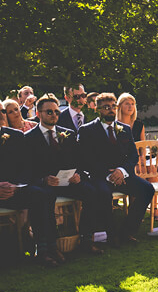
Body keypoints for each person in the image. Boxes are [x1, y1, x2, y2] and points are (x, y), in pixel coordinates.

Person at [25, 94, 103, 256]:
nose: (54, 115)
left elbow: (81, 161)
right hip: (45, 185)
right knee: (43, 198)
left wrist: (79, 175)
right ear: (38, 114)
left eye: (56, 112)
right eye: (49, 112)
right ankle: (48, 247)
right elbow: (25, 170)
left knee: (91, 192)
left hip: (68, 183)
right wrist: (43, 179)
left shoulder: (67, 134)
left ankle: (86, 240)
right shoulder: (28, 138)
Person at [77, 92, 154, 244]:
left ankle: (127, 232)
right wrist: (108, 175)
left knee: (147, 189)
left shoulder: (124, 129)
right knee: (104, 194)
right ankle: (112, 235)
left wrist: (122, 171)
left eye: (113, 106)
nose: (111, 110)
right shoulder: (87, 130)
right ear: (97, 110)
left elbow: (133, 155)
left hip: (123, 174)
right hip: (100, 176)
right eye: (106, 107)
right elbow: (85, 159)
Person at [0, 118, 57, 264]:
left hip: (14, 190)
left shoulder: (16, 136)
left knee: (41, 194)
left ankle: (44, 249)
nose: (1, 114)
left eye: (2, 111)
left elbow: (27, 166)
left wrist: (15, 185)